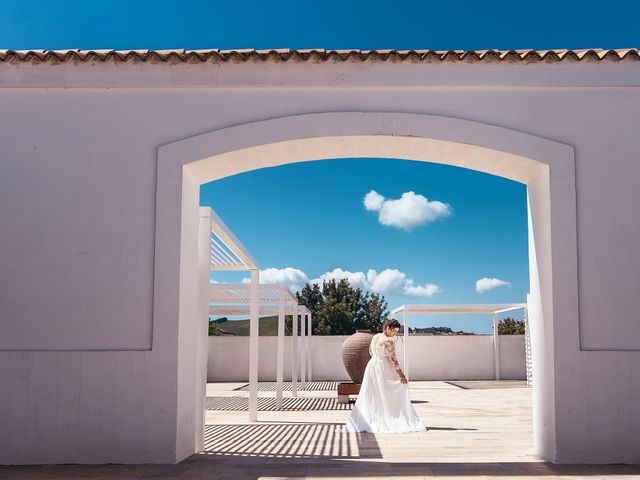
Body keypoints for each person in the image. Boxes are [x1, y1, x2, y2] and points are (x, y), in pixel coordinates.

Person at [343, 318, 426, 433]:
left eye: (396, 331)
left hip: (372, 366)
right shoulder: (389, 341)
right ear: (387, 328)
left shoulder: (375, 336)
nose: (395, 334)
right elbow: (393, 359)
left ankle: (373, 417)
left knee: (373, 393)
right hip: (383, 367)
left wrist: (377, 359)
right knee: (388, 392)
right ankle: (389, 417)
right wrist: (401, 375)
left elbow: (370, 352)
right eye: (394, 331)